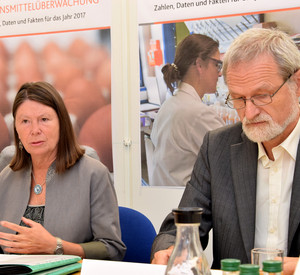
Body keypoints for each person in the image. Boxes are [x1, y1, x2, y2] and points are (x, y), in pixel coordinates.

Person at [151, 28, 300, 275]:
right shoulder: (219, 147)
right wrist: (170, 249)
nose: (249, 113)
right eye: (239, 99)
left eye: (262, 96)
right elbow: (179, 228)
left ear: (296, 84)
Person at [0, 81, 126, 260]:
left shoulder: (93, 174)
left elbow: (112, 249)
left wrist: (56, 246)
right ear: (17, 130)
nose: (35, 130)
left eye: (44, 119)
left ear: (61, 123)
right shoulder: (5, 177)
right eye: (25, 121)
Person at [150, 33, 225, 186]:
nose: (220, 73)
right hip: (189, 204)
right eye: (217, 64)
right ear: (199, 65)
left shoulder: (169, 104)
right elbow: (231, 160)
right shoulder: (198, 114)